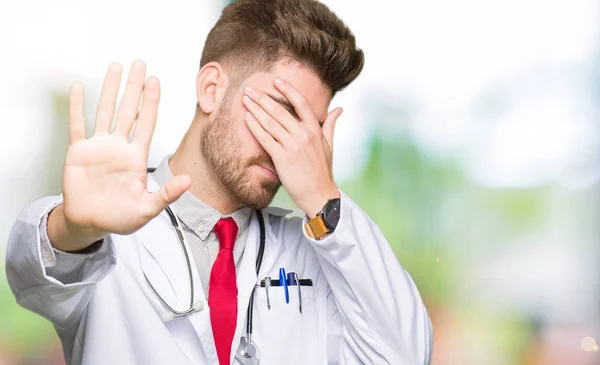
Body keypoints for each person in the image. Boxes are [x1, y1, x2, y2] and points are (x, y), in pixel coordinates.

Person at [5, 0, 433, 364]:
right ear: (212, 88)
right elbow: (34, 272)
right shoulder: (108, 232)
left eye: (310, 130)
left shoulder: (315, 253)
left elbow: (405, 353)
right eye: (282, 112)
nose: (290, 147)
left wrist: (325, 199)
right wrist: (75, 228)